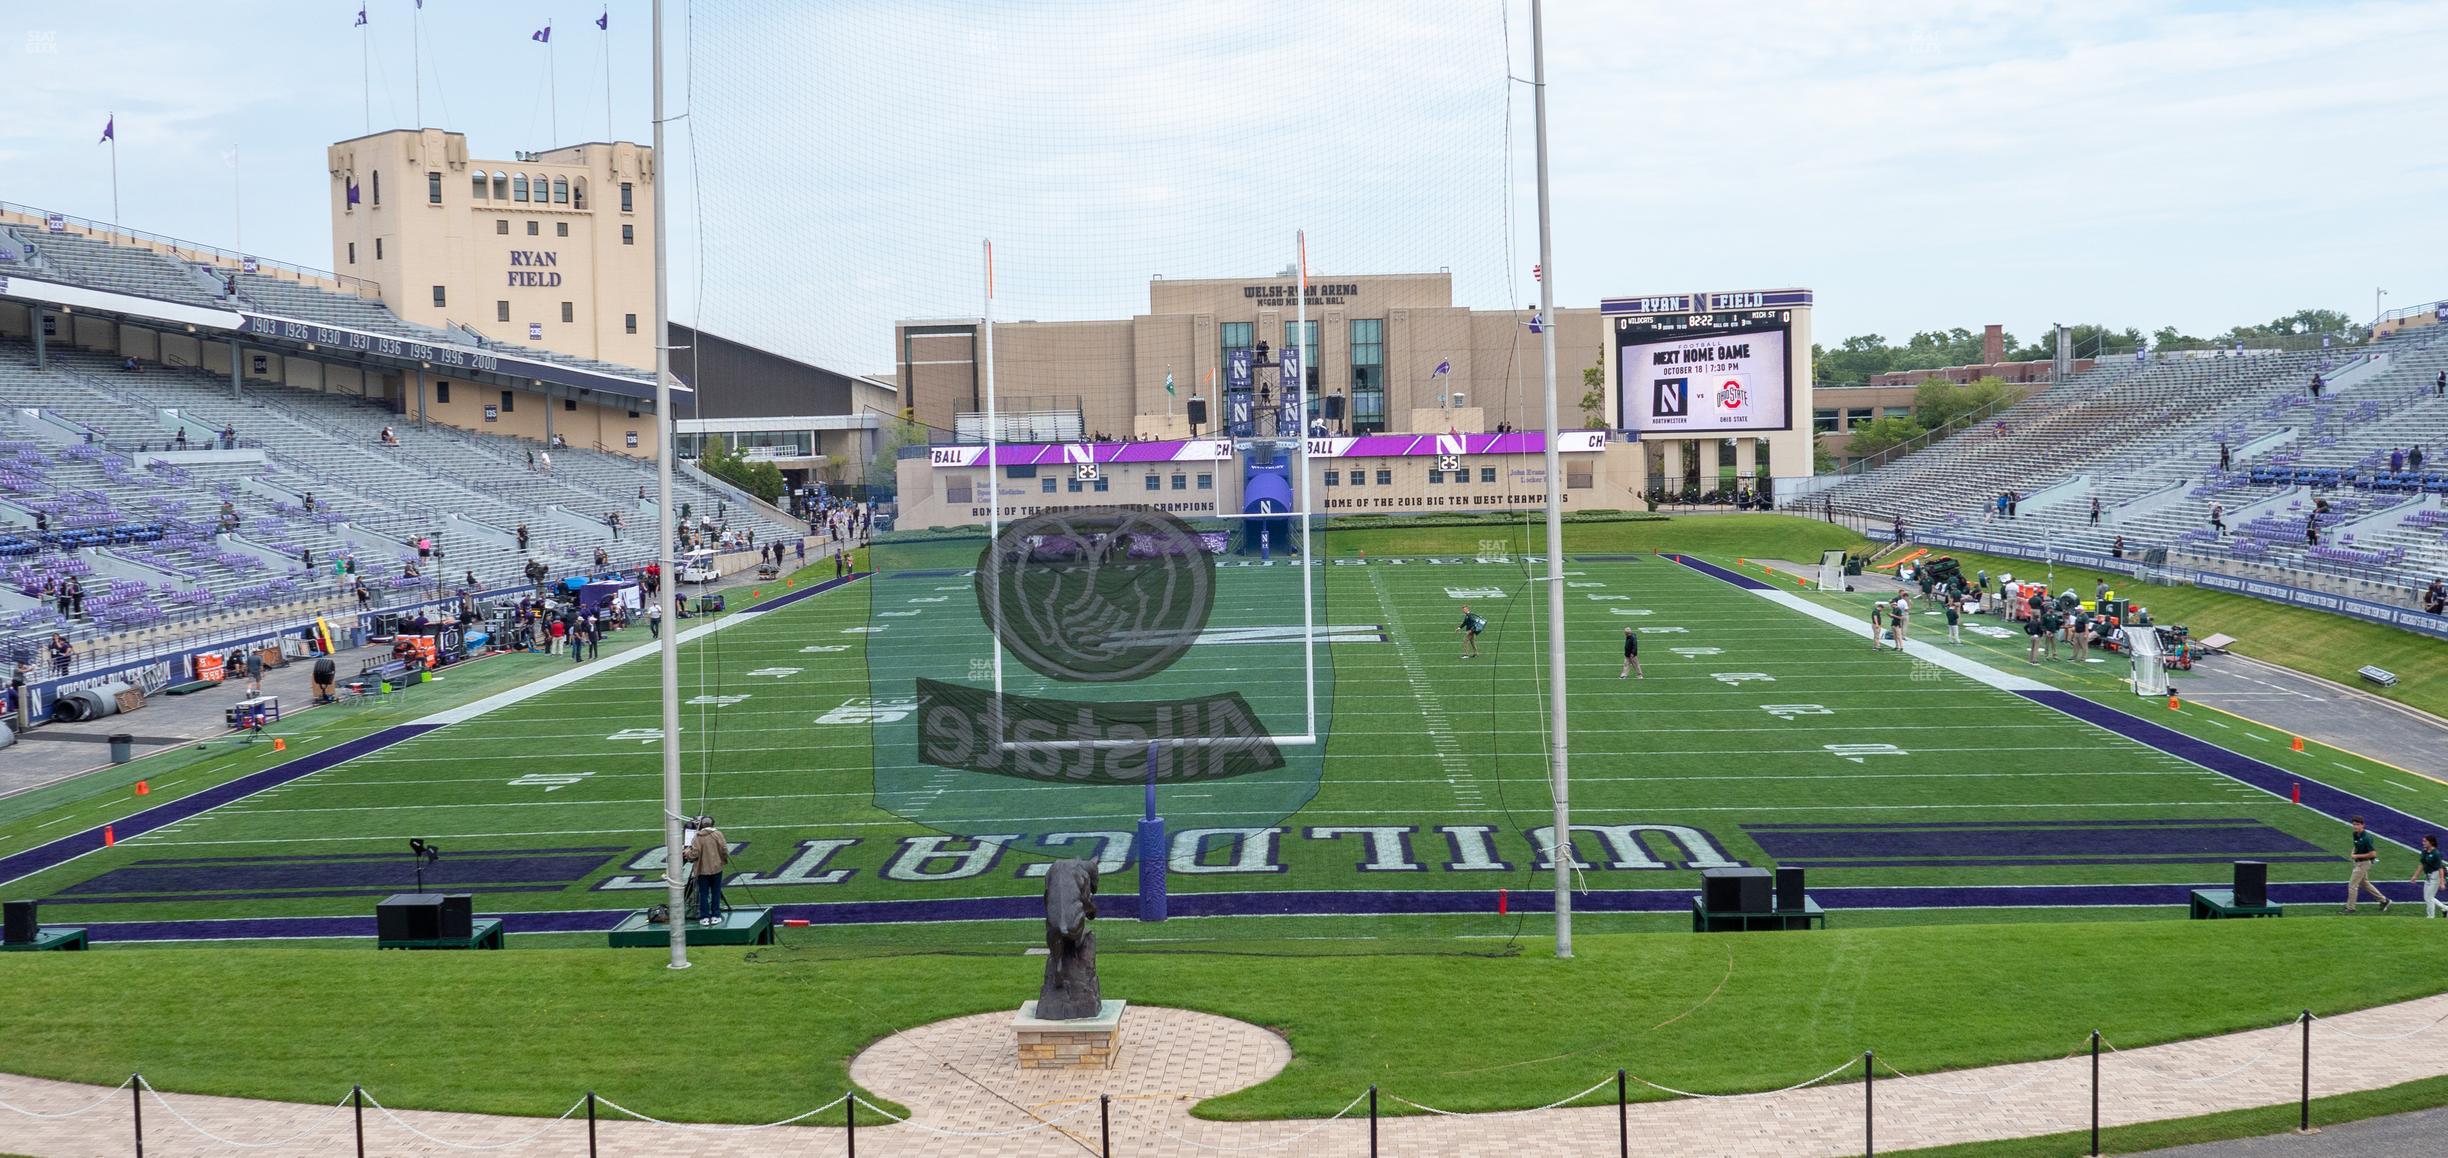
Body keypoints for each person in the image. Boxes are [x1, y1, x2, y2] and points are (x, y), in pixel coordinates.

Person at [683, 814, 730, 926]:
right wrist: (723, 861)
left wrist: (686, 853)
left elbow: (694, 854)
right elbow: (724, 850)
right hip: (716, 868)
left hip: (702, 870)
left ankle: (704, 917)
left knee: (703, 893)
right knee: (715, 891)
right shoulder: (718, 834)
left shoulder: (698, 837)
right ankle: (715, 915)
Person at [2347, 816, 2391, 913]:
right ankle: (2384, 900)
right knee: (2364, 883)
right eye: (2354, 824)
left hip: (2364, 863)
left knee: (2352, 885)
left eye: (2357, 825)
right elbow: (2356, 845)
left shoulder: (2367, 838)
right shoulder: (2355, 834)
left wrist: (2356, 855)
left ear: (2363, 825)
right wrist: (2353, 853)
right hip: (2358, 862)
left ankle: (2350, 908)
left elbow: (2373, 854)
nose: (2355, 826)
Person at [2411, 834, 2445, 919]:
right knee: (2427, 897)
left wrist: (2442, 882)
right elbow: (2422, 864)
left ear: (2431, 842)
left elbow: (2440, 868)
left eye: (2425, 841)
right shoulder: (2424, 851)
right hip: (2428, 877)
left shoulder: (2436, 853)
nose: (2423, 843)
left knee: (2429, 897)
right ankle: (2445, 908)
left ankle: (2430, 916)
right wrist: (2415, 876)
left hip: (2435, 877)